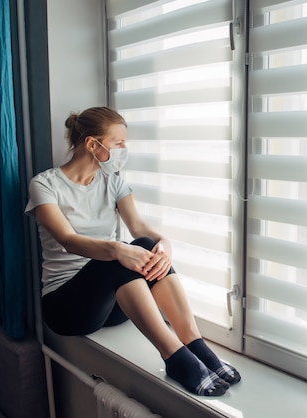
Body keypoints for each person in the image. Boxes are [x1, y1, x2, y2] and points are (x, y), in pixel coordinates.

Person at [25, 106, 240, 396]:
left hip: (114, 306)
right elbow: (68, 240)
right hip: (67, 307)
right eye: (119, 143)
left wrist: (165, 244)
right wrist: (116, 249)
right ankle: (174, 357)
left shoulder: (113, 182)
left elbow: (139, 227)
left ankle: (193, 343)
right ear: (92, 143)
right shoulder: (45, 184)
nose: (124, 150)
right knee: (117, 253)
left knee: (145, 245)